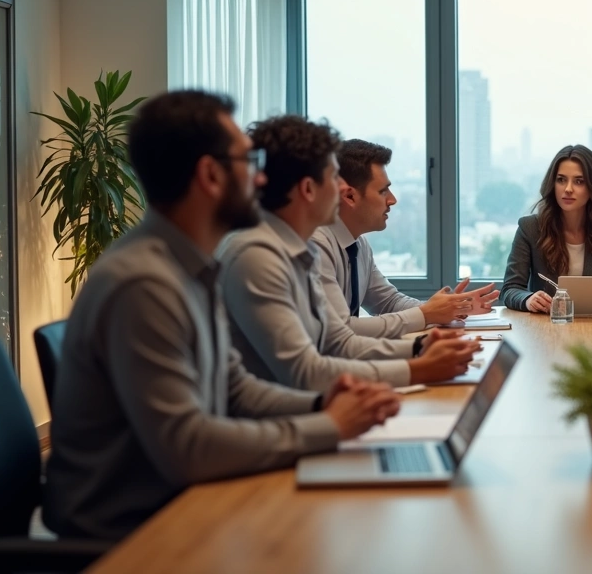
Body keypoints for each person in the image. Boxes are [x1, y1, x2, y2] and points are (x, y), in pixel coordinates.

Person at [43, 91, 401, 540]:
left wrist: (321, 405)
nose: (261, 180)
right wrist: (328, 426)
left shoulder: (194, 263)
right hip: (132, 534)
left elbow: (234, 389)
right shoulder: (144, 282)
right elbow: (187, 446)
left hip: (183, 501)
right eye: (249, 164)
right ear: (211, 175)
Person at [218, 115, 478, 392]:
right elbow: (305, 371)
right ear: (308, 189)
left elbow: (337, 342)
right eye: (333, 177)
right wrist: (417, 366)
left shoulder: (298, 247)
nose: (342, 189)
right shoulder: (259, 256)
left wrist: (420, 346)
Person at [312, 139, 499, 337]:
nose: (392, 200)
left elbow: (388, 302)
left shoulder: (358, 243)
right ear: (350, 197)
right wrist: (427, 313)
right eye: (383, 191)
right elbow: (341, 330)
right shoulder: (317, 245)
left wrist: (447, 308)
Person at [501, 144, 592, 312]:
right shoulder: (529, 228)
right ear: (552, 184)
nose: (568, 189)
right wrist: (528, 299)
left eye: (579, 181)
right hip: (546, 329)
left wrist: (579, 303)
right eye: (561, 180)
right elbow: (510, 289)